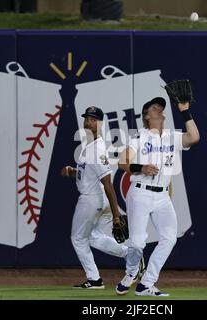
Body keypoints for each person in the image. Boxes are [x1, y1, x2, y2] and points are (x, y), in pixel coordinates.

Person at [116, 97, 200, 296]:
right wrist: (141, 167)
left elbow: (194, 137)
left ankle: (146, 283)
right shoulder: (140, 136)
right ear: (147, 116)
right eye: (154, 107)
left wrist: (185, 111)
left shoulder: (172, 136)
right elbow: (122, 163)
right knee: (137, 243)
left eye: (160, 107)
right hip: (140, 193)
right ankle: (131, 273)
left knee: (169, 238)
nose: (159, 109)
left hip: (162, 197)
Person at [61, 106, 145, 289]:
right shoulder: (88, 146)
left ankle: (94, 279)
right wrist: (73, 172)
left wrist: (116, 215)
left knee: (78, 238)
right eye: (87, 118)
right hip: (97, 198)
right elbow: (88, 174)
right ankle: (130, 255)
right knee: (93, 237)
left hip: (92, 199)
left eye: (92, 119)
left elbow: (108, 183)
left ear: (100, 123)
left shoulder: (97, 149)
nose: (88, 122)